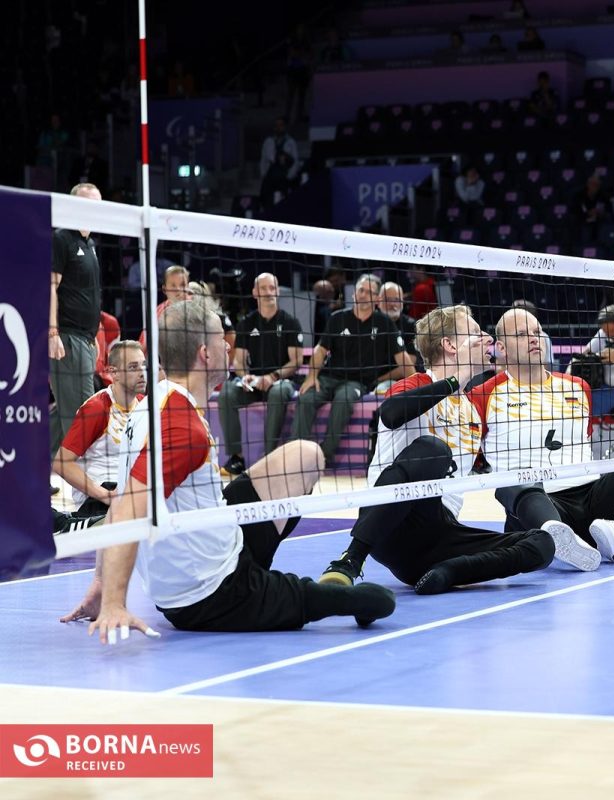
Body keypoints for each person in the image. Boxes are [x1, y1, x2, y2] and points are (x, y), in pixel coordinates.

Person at [61, 300, 396, 641]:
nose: (229, 346)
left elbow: (122, 500)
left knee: (305, 456)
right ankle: (266, 589)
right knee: (377, 601)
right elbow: (129, 508)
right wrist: (114, 602)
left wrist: (101, 583)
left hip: (216, 543)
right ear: (205, 353)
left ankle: (257, 566)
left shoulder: (157, 400)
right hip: (212, 592)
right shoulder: (180, 425)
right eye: (223, 339)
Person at [317, 306, 556, 593]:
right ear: (451, 345)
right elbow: (391, 413)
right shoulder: (416, 384)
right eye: (475, 333)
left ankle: (449, 572)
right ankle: (349, 560)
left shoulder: (470, 410)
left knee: (542, 543)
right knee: (434, 450)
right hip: (391, 520)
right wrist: (457, 379)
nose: (486, 338)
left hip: (439, 535)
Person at [473, 307, 614, 570]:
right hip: (538, 504)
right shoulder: (483, 394)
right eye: (521, 334)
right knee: (510, 481)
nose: (534, 338)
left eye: (537, 332)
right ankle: (556, 534)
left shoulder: (577, 386)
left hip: (593, 498)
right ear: (502, 348)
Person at [293, 274, 407, 467]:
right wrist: (311, 376)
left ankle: (323, 456)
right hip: (329, 377)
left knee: (344, 398)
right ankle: (295, 454)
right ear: (354, 293)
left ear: (377, 299)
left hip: (357, 382)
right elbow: (320, 351)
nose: (364, 295)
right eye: (361, 290)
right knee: (306, 397)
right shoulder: (337, 318)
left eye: (370, 292)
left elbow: (405, 364)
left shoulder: (385, 324)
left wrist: (415, 386)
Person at [218, 273, 305, 475]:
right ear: (255, 293)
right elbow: (238, 361)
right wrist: (245, 375)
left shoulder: (290, 322)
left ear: (277, 291)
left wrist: (272, 377)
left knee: (277, 392)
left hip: (281, 381)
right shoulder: (247, 323)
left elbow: (297, 361)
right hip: (254, 381)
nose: (268, 293)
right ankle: (236, 457)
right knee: (227, 394)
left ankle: (270, 456)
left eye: (272, 288)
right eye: (264, 288)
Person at [52, 341, 146, 519]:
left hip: (130, 488)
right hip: (99, 496)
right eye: (133, 367)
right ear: (113, 373)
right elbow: (61, 463)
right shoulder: (97, 408)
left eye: (143, 365)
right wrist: (105, 495)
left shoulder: (145, 405)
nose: (142, 373)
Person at [50, 183, 104, 463]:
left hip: (84, 338)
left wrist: (94, 335)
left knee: (67, 413)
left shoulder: (90, 244)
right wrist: (52, 332)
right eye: (87, 203)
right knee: (83, 414)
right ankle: (86, 491)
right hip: (66, 337)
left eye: (97, 204)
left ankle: (29, 463)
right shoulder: (61, 239)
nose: (93, 210)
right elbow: (49, 287)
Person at [378, 281, 421, 374]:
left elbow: (412, 361)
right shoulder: (372, 323)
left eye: (397, 300)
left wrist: (379, 380)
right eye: (388, 299)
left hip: (404, 379)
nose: (393, 304)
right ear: (378, 301)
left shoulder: (411, 325)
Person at [259, 117, 300, 205]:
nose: (278, 127)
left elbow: (296, 161)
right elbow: (263, 159)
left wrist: (289, 176)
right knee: (267, 200)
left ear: (284, 127)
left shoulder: (291, 142)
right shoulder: (268, 141)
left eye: (281, 125)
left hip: (284, 176)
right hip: (270, 175)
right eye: (276, 125)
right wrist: (263, 174)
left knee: (283, 202)